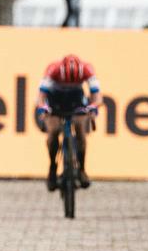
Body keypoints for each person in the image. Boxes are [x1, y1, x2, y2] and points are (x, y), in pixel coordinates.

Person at [37, 54, 102, 190]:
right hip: (55, 101)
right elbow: (41, 97)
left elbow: (97, 97)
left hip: (75, 101)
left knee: (80, 131)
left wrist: (93, 107)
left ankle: (82, 170)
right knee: (53, 131)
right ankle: (53, 167)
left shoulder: (87, 69)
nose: (68, 84)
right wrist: (43, 108)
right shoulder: (52, 69)